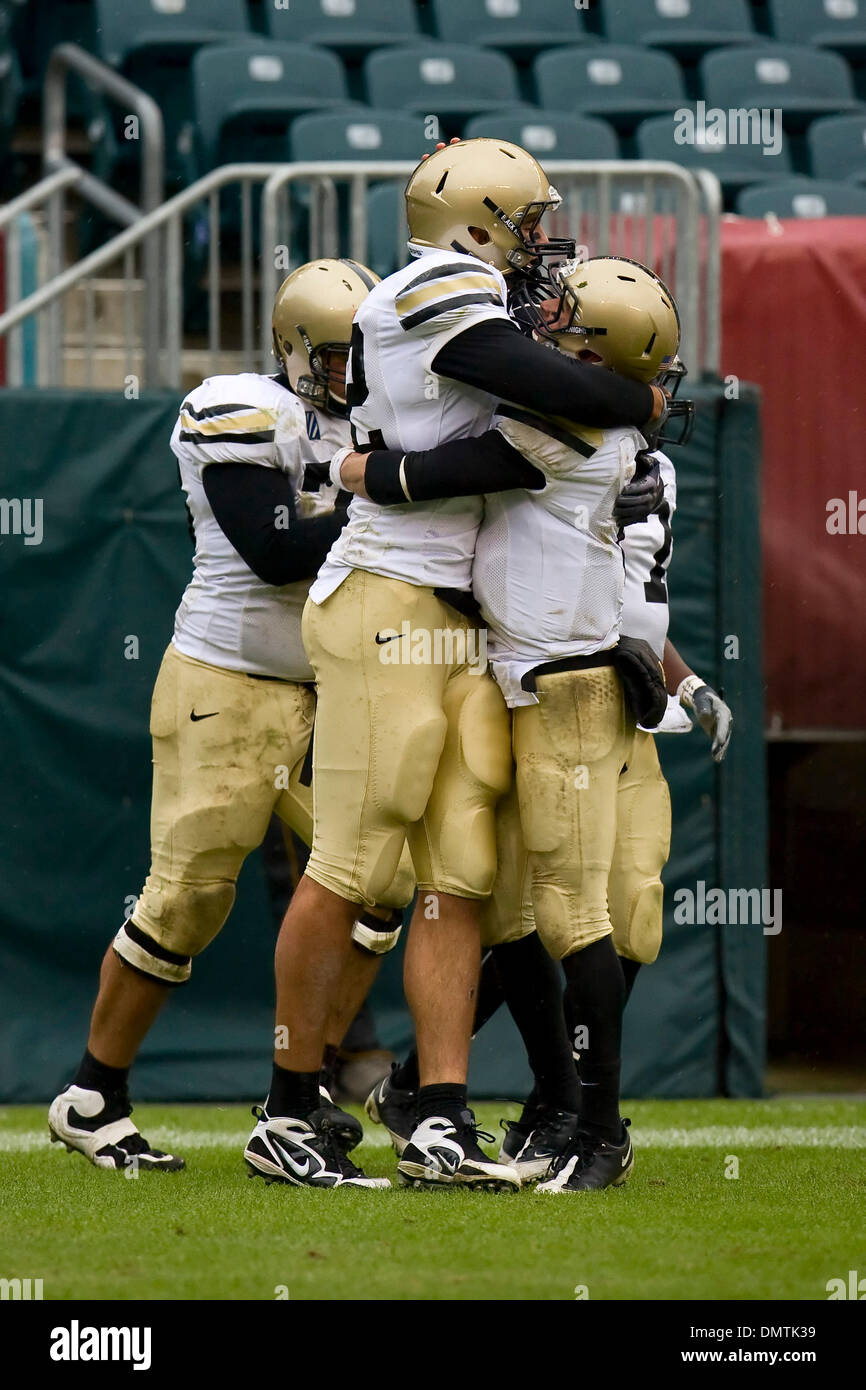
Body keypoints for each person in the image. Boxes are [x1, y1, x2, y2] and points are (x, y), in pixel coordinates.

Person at [247, 141, 671, 1192]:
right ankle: (288, 1107)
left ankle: (439, 1113)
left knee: (459, 873)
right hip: (387, 596)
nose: (540, 245)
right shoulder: (442, 280)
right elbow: (517, 378)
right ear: (475, 221)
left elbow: (505, 428)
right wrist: (633, 397)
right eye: (528, 222)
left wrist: (379, 468)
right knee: (350, 862)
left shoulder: (485, 294)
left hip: (457, 619)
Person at [49, 260, 412, 1189]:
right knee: (188, 900)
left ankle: (300, 1095)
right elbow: (276, 548)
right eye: (336, 355)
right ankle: (94, 1097)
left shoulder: (376, 419)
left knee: (383, 884)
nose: (351, 372)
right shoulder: (241, 407)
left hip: (331, 686)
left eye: (363, 354)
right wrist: (394, 501)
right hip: (228, 682)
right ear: (292, 349)